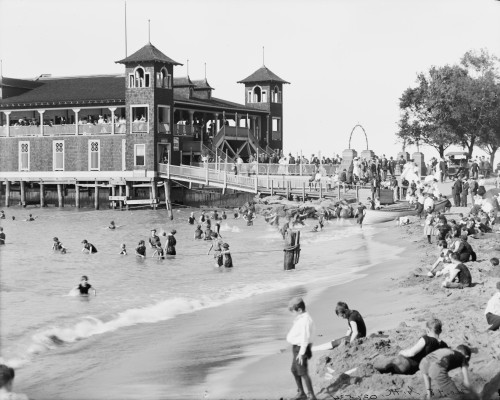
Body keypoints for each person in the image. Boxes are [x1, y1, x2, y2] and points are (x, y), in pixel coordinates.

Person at [375, 318, 448, 375]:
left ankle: (373, 367)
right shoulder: (444, 345)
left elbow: (411, 353)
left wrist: (402, 352)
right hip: (416, 369)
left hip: (407, 364)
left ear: (428, 330)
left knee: (388, 362)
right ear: (440, 331)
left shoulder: (426, 339)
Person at [285, 297, 317, 400]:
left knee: (303, 372)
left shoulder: (305, 320)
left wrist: (302, 352)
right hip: (297, 348)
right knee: (294, 370)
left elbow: (305, 337)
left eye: (293, 312)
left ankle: (311, 395)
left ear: (299, 310)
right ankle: (301, 392)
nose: (292, 314)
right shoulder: (301, 318)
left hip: (301, 349)